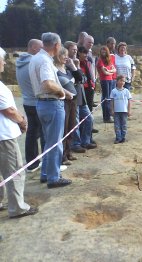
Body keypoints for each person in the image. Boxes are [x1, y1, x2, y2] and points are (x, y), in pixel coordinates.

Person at [29, 32, 72, 189]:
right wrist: (61, 92)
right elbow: (47, 84)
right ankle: (54, 177)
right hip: (51, 103)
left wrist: (63, 92)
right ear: (56, 45)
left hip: (41, 103)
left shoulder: (36, 58)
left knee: (49, 141)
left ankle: (46, 173)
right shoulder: (45, 61)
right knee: (55, 142)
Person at [0, 46, 38, 218]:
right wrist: (22, 121)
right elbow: (8, 110)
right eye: (2, 59)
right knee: (14, 171)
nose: (4, 62)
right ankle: (17, 207)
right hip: (4, 135)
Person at [15, 39, 45, 172]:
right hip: (36, 101)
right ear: (33, 47)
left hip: (27, 101)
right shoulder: (32, 62)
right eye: (40, 47)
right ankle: (43, 162)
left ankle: (32, 162)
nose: (43, 50)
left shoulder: (20, 62)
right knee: (42, 133)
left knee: (32, 133)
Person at [54, 46, 79, 165]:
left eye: (66, 55)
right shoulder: (54, 70)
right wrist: (65, 93)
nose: (66, 57)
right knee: (64, 129)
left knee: (71, 127)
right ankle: (62, 156)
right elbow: (56, 86)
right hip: (64, 101)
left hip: (73, 101)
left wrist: (73, 66)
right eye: (63, 54)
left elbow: (80, 78)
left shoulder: (68, 70)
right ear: (57, 56)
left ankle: (68, 152)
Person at [70, 46, 97, 152]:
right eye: (83, 53)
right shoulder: (72, 64)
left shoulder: (87, 63)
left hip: (84, 94)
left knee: (89, 118)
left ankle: (86, 141)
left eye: (86, 53)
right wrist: (76, 67)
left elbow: (85, 77)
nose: (86, 55)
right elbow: (80, 78)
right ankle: (76, 143)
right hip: (75, 95)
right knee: (76, 121)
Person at [96, 46, 116, 123]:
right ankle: (106, 117)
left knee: (109, 98)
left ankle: (108, 116)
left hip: (110, 80)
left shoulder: (109, 60)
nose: (103, 52)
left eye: (105, 51)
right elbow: (104, 72)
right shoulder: (100, 60)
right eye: (102, 51)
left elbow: (114, 69)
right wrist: (110, 71)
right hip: (104, 80)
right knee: (106, 99)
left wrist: (109, 71)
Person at [110, 75, 132, 144]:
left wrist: (129, 110)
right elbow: (112, 101)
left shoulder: (126, 91)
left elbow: (129, 102)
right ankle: (118, 137)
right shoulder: (113, 91)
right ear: (117, 81)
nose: (122, 82)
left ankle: (123, 137)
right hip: (116, 111)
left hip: (124, 111)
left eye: (124, 81)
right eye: (121, 80)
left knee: (124, 125)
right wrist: (112, 110)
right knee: (117, 125)